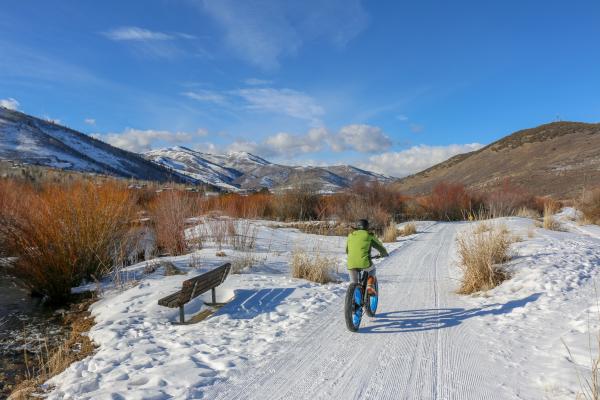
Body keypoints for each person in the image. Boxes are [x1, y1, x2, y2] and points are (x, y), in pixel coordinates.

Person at [345, 219, 388, 296]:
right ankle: (369, 286)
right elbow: (380, 247)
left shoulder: (350, 235)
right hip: (364, 262)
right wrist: (384, 254)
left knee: (353, 283)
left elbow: (347, 250)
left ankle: (353, 299)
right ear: (367, 227)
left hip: (350, 263)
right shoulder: (369, 235)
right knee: (372, 269)